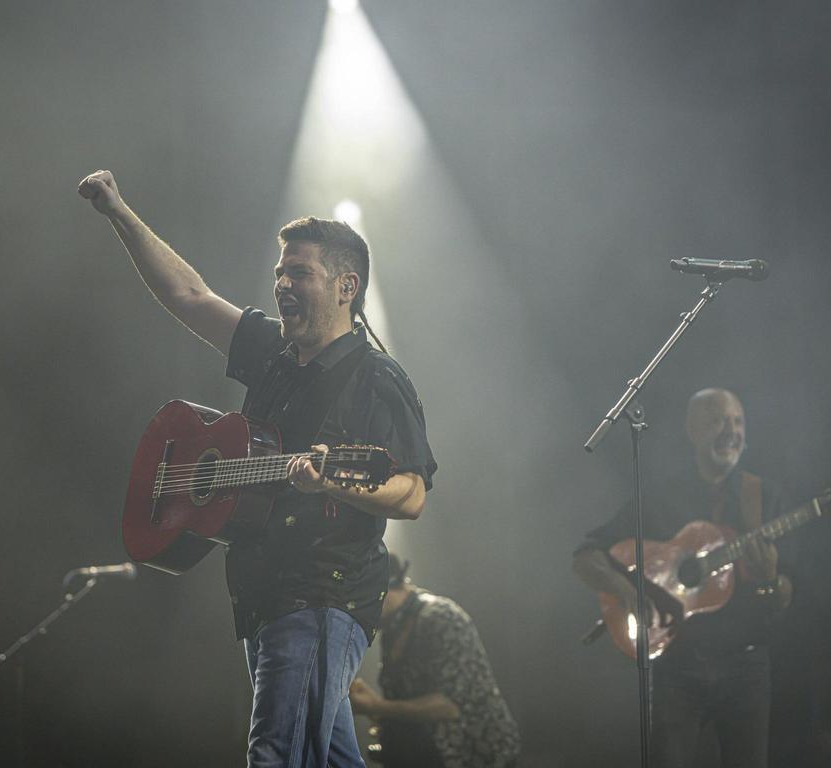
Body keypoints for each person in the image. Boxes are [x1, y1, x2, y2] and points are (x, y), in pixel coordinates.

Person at [78, 170, 437, 768]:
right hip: (266, 596)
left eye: (299, 273)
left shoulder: (378, 378)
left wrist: (332, 480)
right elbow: (187, 295)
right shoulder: (272, 351)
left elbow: (413, 493)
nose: (282, 284)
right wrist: (119, 212)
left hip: (321, 595)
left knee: (275, 755)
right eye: (280, 272)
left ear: (346, 285)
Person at [572, 388, 792, 768]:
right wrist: (626, 591)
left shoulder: (765, 498)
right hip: (678, 667)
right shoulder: (660, 497)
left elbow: (787, 594)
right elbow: (586, 556)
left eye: (738, 421)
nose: (730, 430)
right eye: (718, 419)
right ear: (692, 429)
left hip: (747, 667)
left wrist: (770, 578)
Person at [349, 553, 521, 768]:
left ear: (381, 589)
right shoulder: (393, 628)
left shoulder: (441, 617)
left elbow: (450, 706)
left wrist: (377, 706)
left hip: (475, 757)